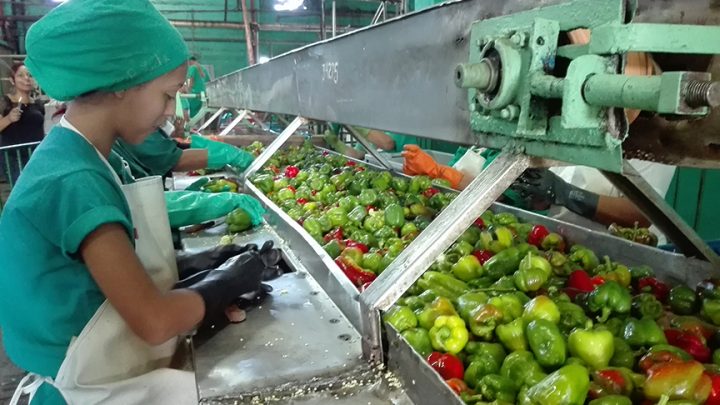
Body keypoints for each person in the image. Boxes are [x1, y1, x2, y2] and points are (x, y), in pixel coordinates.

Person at [0, 2, 279, 405]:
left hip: (95, 363)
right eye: (167, 95)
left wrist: (199, 264)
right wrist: (227, 283)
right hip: (89, 390)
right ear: (120, 82)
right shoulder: (74, 179)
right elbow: (154, 320)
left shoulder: (81, 154)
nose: (170, 113)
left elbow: (94, 279)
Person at [0, 62, 45, 185]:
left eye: (29, 75)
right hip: (14, 159)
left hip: (37, 156)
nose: (26, 78)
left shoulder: (38, 104)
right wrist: (9, 119)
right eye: (20, 75)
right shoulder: (5, 103)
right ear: (12, 80)